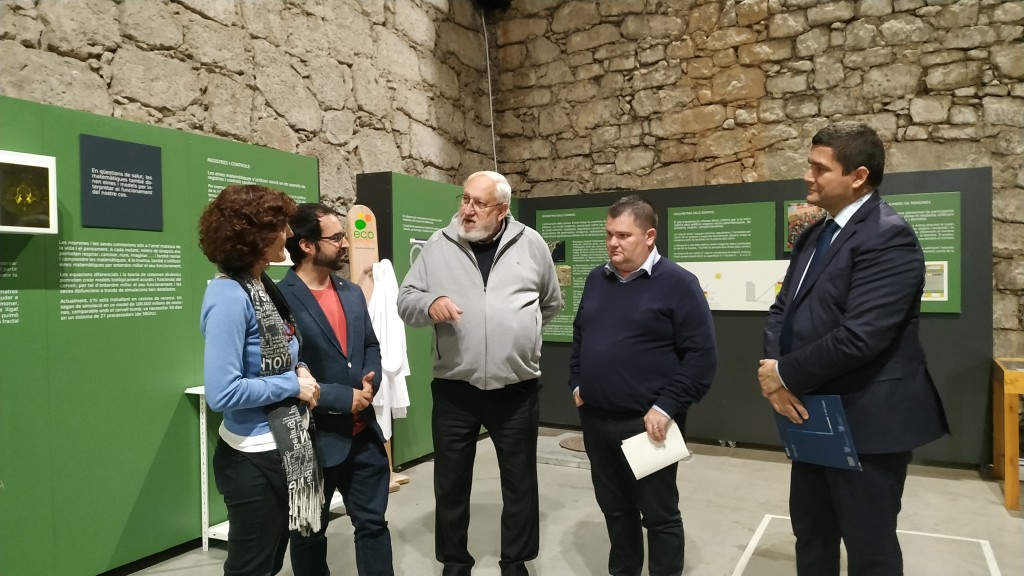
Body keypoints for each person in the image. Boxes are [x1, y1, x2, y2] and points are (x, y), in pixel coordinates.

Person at [759, 122, 949, 576]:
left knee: (870, 550)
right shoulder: (814, 235)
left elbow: (861, 337)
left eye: (819, 168)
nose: (807, 176)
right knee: (812, 534)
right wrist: (774, 372)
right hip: (813, 415)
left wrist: (783, 374)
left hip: (867, 423)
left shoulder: (888, 236)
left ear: (859, 176)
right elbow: (782, 309)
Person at [397, 170, 562, 576]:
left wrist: (519, 333)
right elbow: (406, 300)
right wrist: (430, 303)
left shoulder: (532, 244)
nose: (467, 210)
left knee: (520, 483)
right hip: (456, 388)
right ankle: (455, 562)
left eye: (479, 203)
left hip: (516, 388)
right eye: (465, 199)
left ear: (502, 210)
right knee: (451, 483)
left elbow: (550, 302)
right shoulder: (439, 244)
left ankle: (515, 561)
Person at [569, 195, 717, 576]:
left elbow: (701, 358)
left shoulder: (679, 284)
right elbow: (580, 336)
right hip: (597, 421)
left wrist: (667, 407)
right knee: (615, 510)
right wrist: (577, 384)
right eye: (608, 234)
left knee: (659, 515)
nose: (613, 243)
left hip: (649, 425)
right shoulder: (596, 279)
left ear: (650, 236)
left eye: (623, 235)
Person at [198, 184, 322, 576]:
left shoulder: (260, 285)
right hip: (251, 458)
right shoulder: (229, 296)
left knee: (269, 562)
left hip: (281, 445)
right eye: (280, 226)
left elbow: (281, 349)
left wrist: (299, 369)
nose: (289, 233)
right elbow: (222, 392)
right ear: (254, 235)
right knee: (252, 567)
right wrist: (292, 386)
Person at [277, 203, 393, 576]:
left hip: (364, 436)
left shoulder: (351, 292)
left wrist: (370, 381)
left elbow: (370, 345)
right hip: (313, 440)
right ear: (307, 245)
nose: (345, 243)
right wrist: (345, 398)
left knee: (373, 524)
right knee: (309, 532)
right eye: (336, 237)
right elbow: (285, 372)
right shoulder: (280, 298)